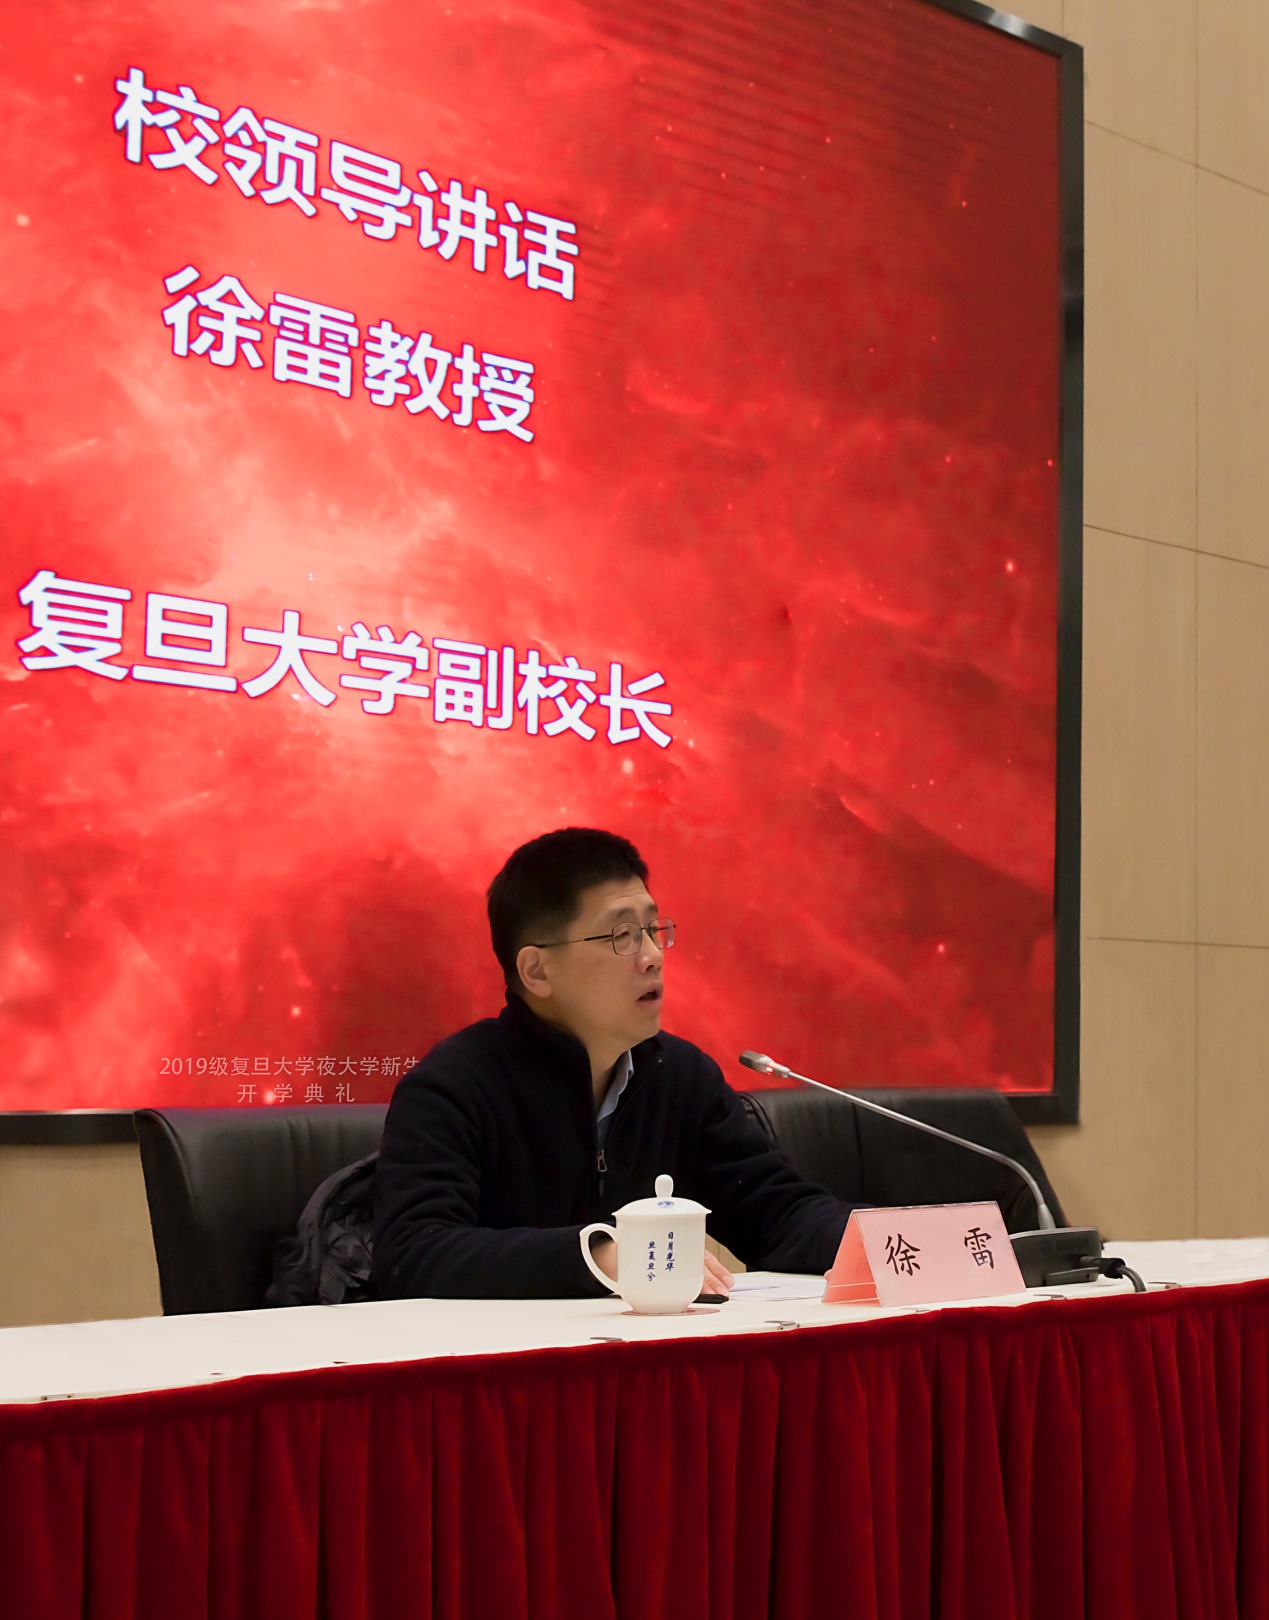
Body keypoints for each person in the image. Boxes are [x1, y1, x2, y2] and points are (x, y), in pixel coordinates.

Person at [372, 827, 857, 1300]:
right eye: (621, 935)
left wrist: (874, 1239)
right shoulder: (453, 1085)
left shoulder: (680, 1076)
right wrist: (597, 1256)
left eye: (652, 930)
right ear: (537, 971)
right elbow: (413, 1253)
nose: (652, 957)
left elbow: (778, 1212)